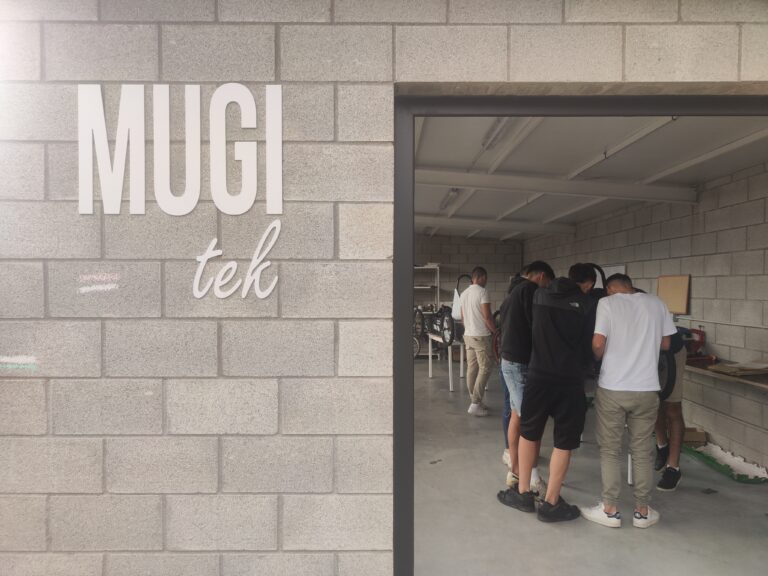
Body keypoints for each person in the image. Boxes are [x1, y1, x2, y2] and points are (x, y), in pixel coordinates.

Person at [497, 263, 596, 522]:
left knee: (529, 434)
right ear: (585, 284)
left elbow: (527, 331)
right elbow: (591, 347)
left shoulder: (539, 296)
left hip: (538, 376)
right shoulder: (587, 305)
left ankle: (523, 493)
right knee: (563, 442)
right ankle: (551, 503)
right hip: (570, 381)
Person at [582, 273, 676, 529]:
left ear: (610, 288)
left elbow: (598, 343)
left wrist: (599, 355)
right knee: (642, 450)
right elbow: (666, 344)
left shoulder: (607, 303)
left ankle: (610, 509)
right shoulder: (656, 302)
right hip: (646, 388)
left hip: (613, 387)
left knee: (611, 450)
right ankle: (642, 511)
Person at [498, 261, 555, 494]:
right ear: (541, 276)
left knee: (517, 415)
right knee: (531, 422)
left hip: (509, 360)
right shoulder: (530, 290)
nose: (546, 288)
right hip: (520, 363)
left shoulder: (513, 291)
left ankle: (515, 469)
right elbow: (537, 326)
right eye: (548, 283)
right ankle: (530, 477)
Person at [460, 266, 497, 416]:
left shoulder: (464, 293)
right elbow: (487, 317)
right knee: (486, 367)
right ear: (482, 277)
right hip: (481, 336)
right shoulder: (482, 292)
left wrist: (470, 329)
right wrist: (496, 332)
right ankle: (475, 403)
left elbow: (462, 318)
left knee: (472, 368)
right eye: (485, 279)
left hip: (468, 335)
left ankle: (475, 400)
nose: (486, 281)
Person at [654, 329, 688, 491]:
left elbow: (666, 342)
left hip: (670, 352)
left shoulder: (658, 310)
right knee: (653, 405)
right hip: (647, 354)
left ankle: (673, 467)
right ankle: (662, 447)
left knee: (672, 407)